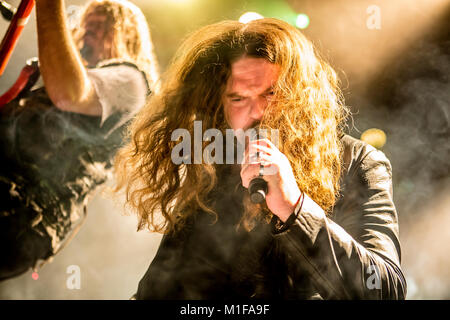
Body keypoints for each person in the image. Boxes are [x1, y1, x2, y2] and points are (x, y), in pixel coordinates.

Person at [115, 18, 407, 299]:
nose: (257, 113)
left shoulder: (355, 161)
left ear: (301, 96)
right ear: (219, 105)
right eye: (238, 98)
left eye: (272, 93)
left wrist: (295, 207)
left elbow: (385, 291)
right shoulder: (214, 169)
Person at [0, 0, 158, 281]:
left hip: (22, 211)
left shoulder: (131, 80)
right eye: (87, 24)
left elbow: (68, 95)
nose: (88, 31)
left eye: (101, 27)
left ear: (129, 37)